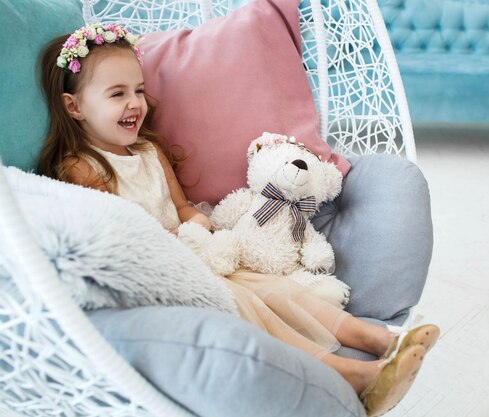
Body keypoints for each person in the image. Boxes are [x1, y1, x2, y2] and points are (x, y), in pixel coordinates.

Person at [37, 23, 440, 416]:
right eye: (116, 94)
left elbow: (182, 207)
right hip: (162, 275)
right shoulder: (82, 168)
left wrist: (199, 227)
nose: (135, 104)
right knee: (248, 305)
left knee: (279, 292)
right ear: (75, 107)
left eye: (139, 90)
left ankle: (380, 339)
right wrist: (178, 241)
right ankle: (350, 375)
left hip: (200, 258)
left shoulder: (147, 151)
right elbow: (117, 236)